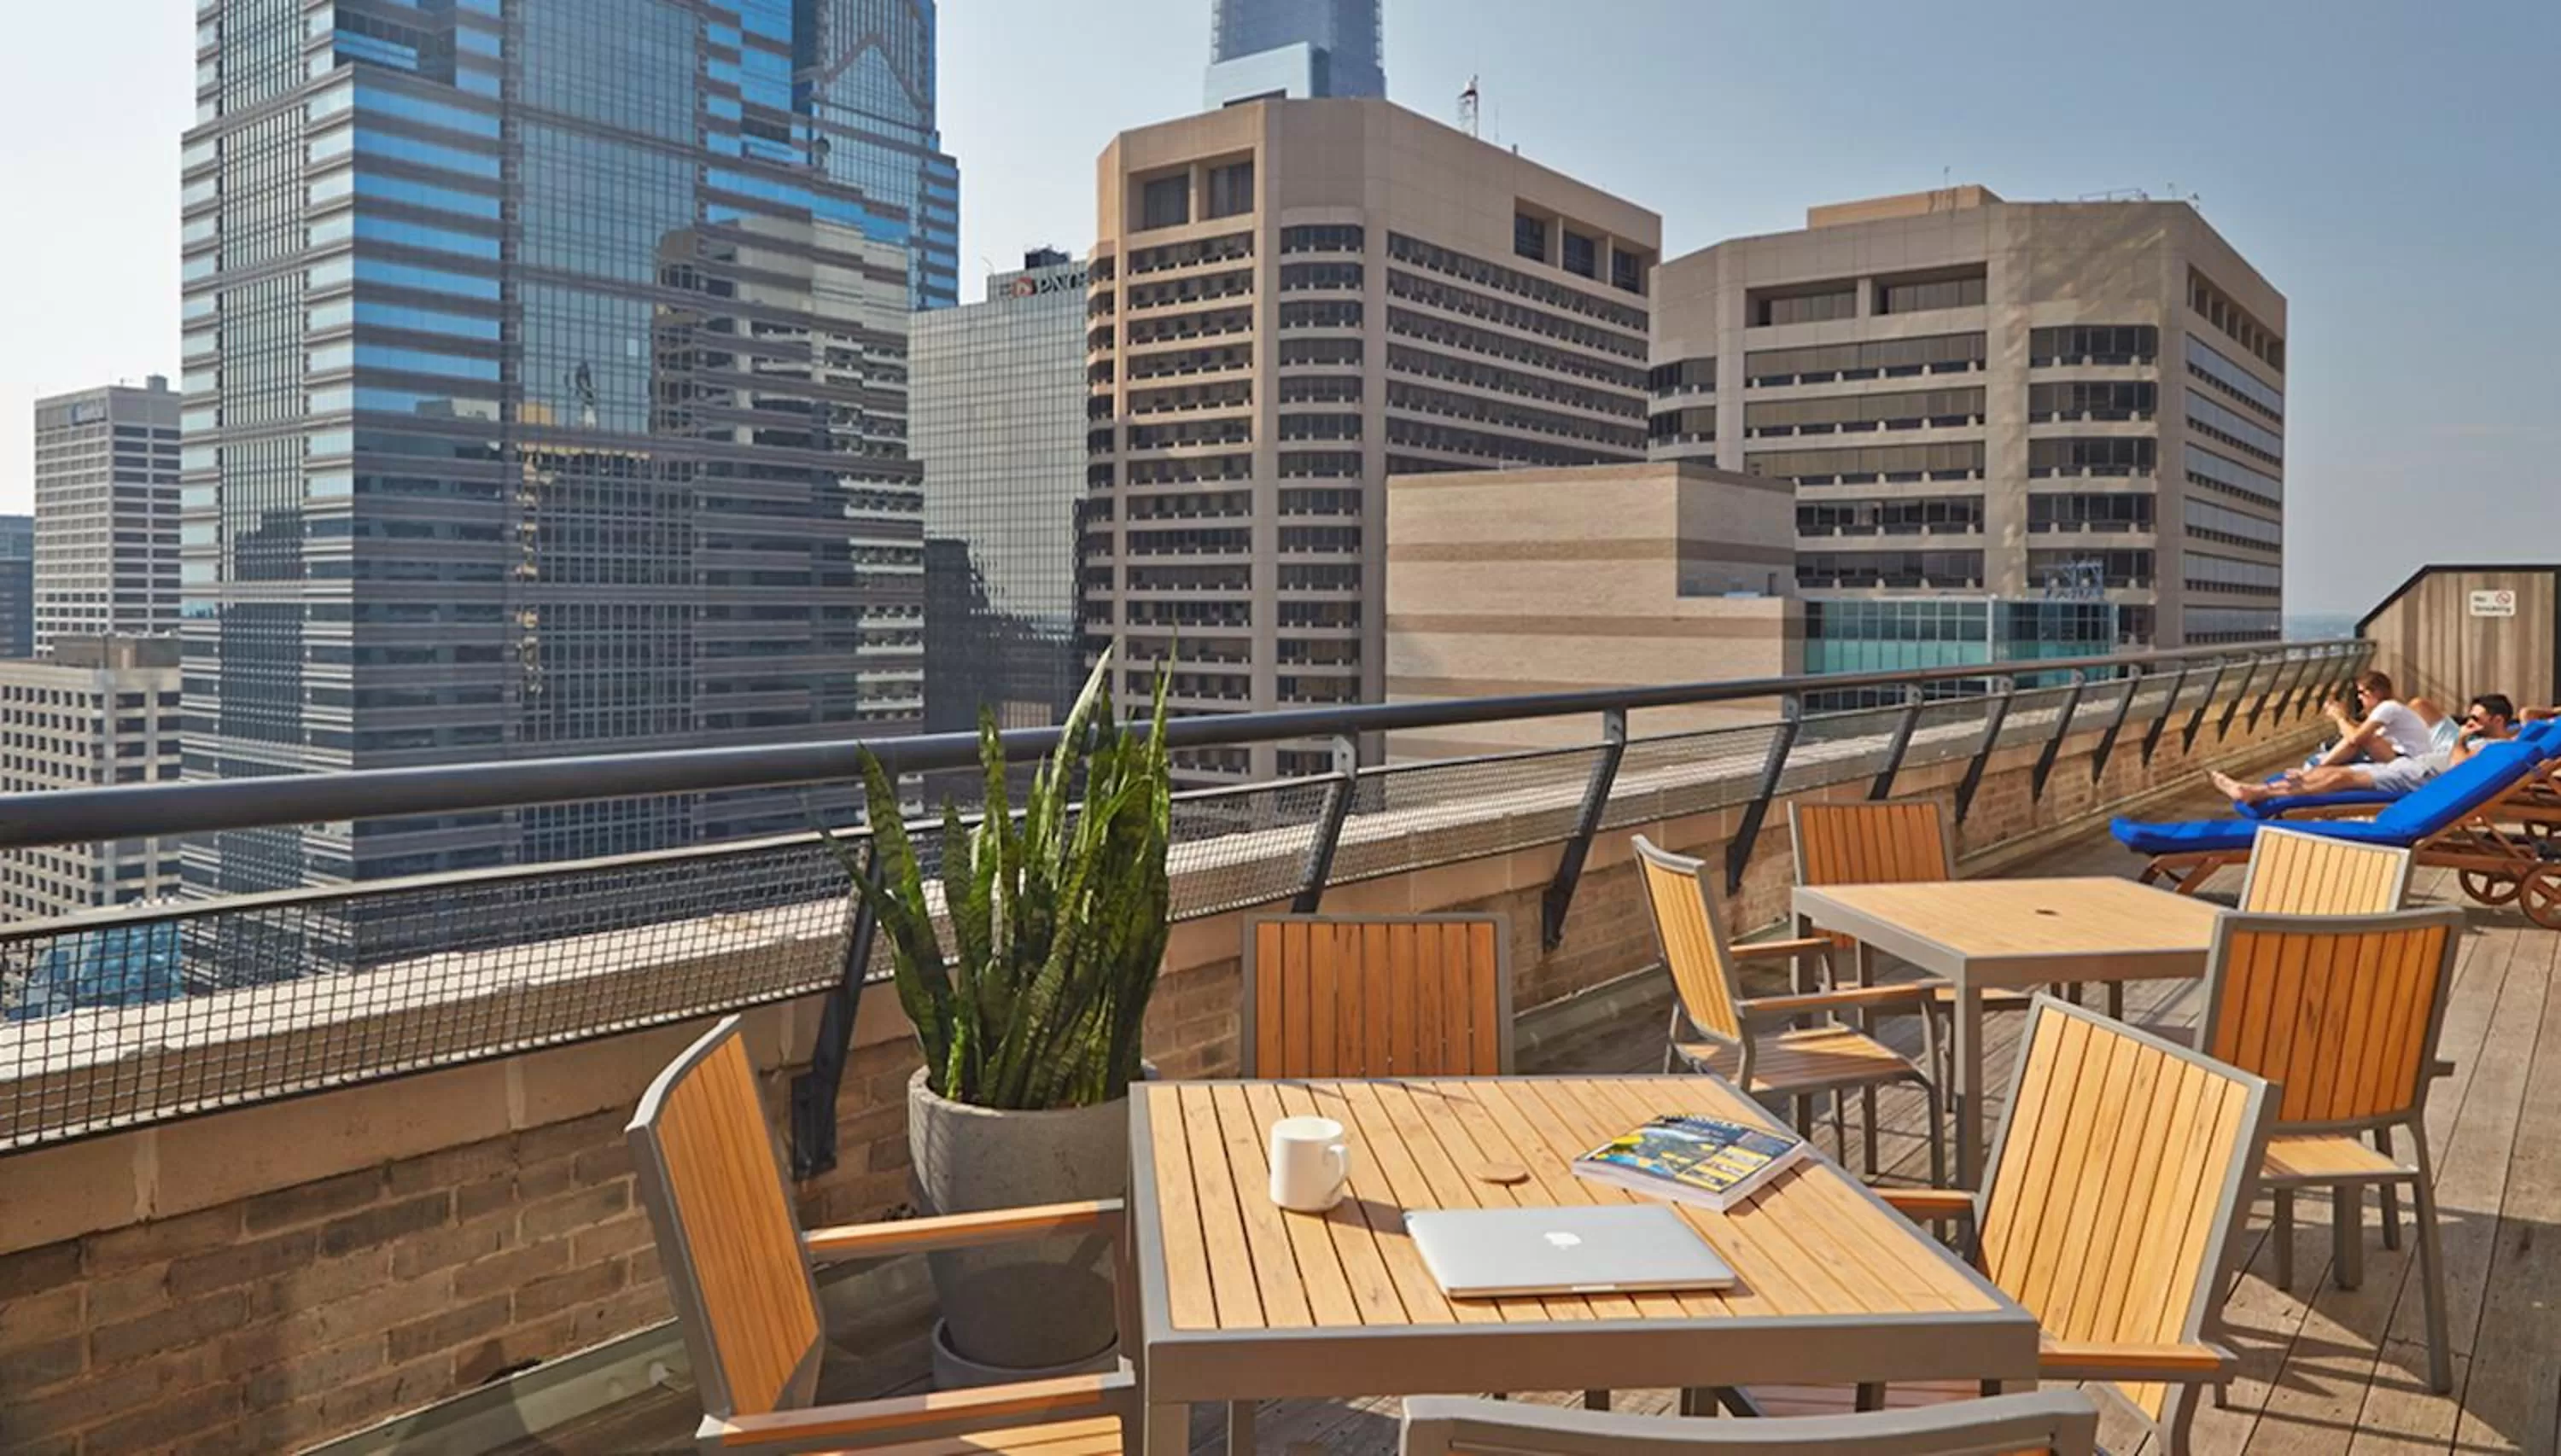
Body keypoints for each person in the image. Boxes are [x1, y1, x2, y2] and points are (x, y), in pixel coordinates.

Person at [2214, 693, 2517, 807]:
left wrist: (2461, 740)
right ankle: (2257, 789)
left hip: (2423, 778)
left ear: (2498, 720)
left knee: (2341, 779)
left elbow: (2464, 771)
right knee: (2338, 773)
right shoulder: (2507, 741)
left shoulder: (2500, 748)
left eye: (2476, 718)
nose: (2470, 722)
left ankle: (2259, 793)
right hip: (2417, 767)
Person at [2304, 671, 2435, 770]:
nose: (2359, 698)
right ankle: (2321, 767)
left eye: (2362, 692)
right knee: (2362, 737)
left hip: (2409, 761)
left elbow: (2355, 738)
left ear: (2375, 692)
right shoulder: (2392, 708)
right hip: (2409, 757)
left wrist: (2339, 718)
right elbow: (2360, 730)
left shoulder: (2387, 707)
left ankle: (2318, 769)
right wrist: (2346, 718)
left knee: (2365, 739)